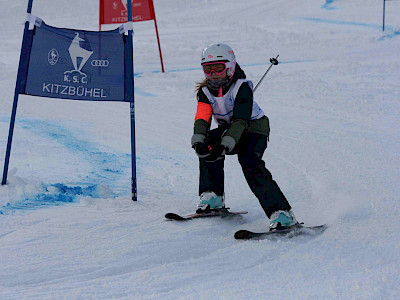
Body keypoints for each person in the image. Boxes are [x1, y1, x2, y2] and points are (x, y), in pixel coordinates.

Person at [191, 43, 297, 230]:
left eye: (218, 68)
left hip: (255, 130)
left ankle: (282, 213)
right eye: (208, 69)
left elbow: (241, 121)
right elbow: (202, 118)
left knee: (249, 163)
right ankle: (213, 196)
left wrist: (224, 145)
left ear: (230, 67)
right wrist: (199, 141)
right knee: (207, 147)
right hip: (231, 130)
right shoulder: (205, 92)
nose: (213, 74)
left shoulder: (242, 87)